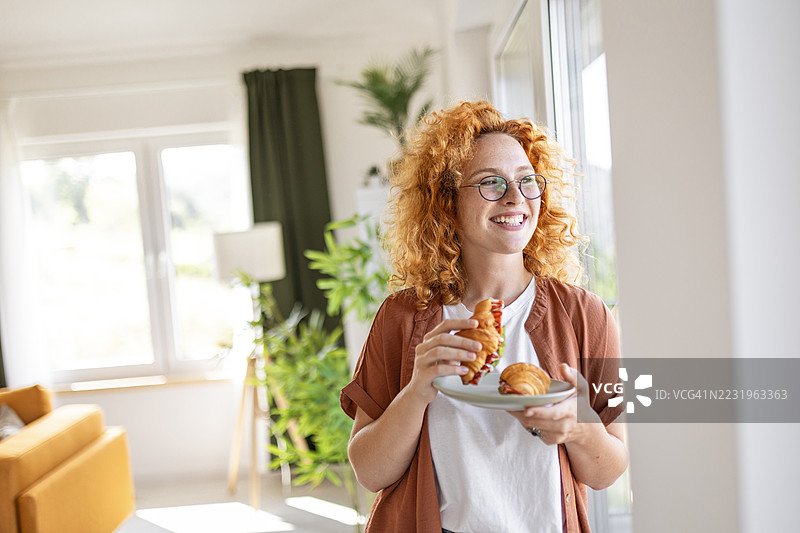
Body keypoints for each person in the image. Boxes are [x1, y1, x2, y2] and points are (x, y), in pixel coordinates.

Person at [340, 100, 627, 533]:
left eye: (527, 180)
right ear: (447, 202)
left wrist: (579, 427)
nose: (515, 197)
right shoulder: (402, 317)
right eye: (491, 182)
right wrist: (417, 391)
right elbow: (369, 471)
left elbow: (608, 471)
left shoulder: (585, 314)